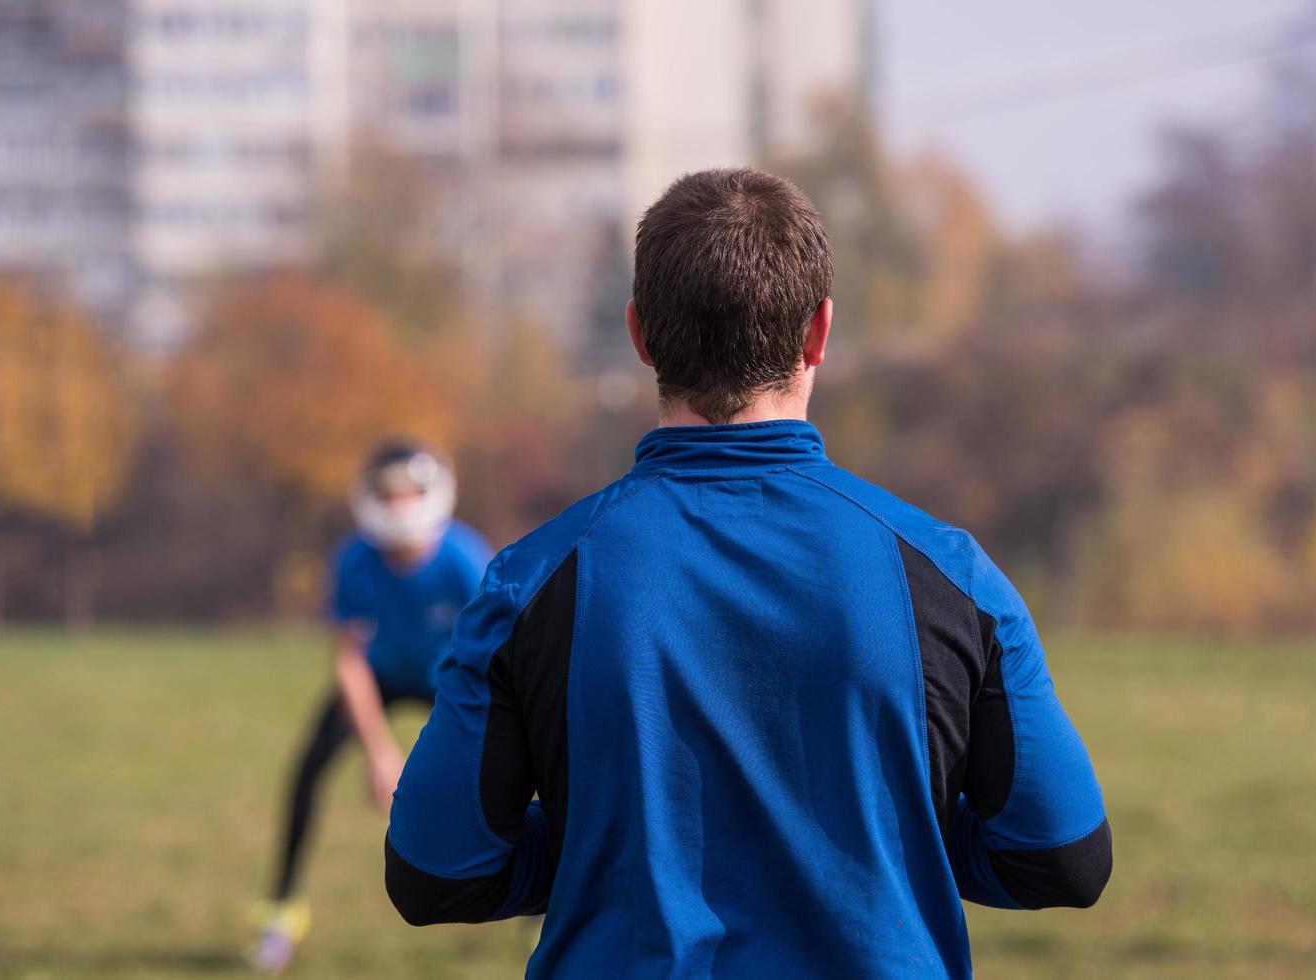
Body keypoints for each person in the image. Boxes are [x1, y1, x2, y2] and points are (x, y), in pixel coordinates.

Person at [383, 168, 1111, 978]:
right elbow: (1061, 858)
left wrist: (609, 844)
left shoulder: (528, 584)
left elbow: (433, 871)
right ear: (818, 334)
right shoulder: (951, 578)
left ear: (640, 337)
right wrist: (891, 832)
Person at [251, 441, 491, 975]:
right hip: (380, 675)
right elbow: (349, 662)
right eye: (387, 492)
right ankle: (280, 913)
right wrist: (380, 752)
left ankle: (548, 906)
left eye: (409, 490)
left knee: (532, 761)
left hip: (449, 679)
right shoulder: (355, 559)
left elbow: (491, 659)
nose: (399, 503)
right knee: (307, 771)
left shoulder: (465, 559)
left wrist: (453, 743)